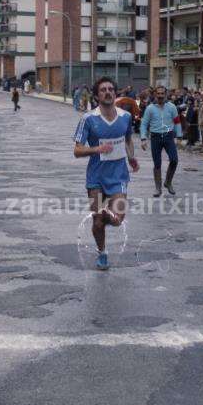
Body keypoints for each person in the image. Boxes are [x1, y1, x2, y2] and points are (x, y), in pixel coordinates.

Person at [74, 77, 139, 271]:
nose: (108, 92)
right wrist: (97, 149)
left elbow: (127, 139)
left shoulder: (125, 117)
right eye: (103, 90)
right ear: (96, 96)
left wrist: (131, 157)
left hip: (118, 177)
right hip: (96, 178)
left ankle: (108, 217)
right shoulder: (88, 119)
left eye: (111, 89)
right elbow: (77, 150)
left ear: (116, 93)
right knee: (98, 219)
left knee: (117, 219)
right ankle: (102, 253)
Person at [140, 86, 183, 197]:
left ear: (166, 94)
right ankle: (158, 188)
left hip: (168, 136)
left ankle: (168, 182)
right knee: (157, 163)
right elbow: (144, 124)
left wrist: (179, 137)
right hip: (155, 137)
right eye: (158, 94)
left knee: (174, 160)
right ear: (155, 95)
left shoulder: (172, 107)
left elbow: (177, 122)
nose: (160, 96)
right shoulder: (150, 108)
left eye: (162, 93)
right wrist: (143, 138)